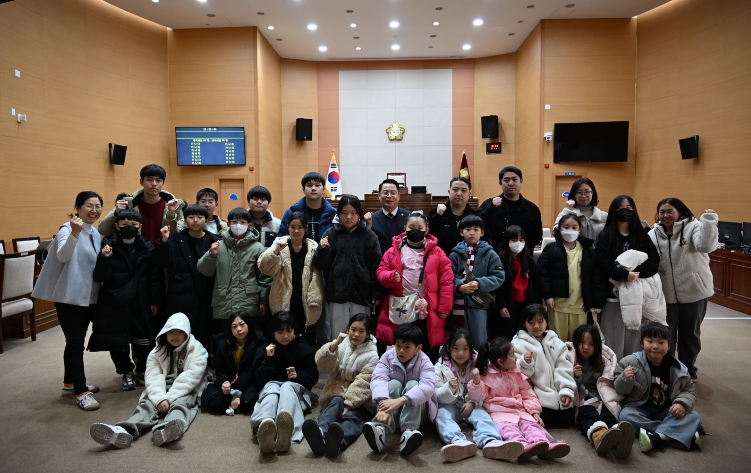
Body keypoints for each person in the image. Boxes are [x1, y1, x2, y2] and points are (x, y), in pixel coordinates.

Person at [89, 312, 207, 448]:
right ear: (165, 332)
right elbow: (153, 376)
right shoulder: (157, 351)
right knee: (147, 404)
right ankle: (125, 429)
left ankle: (166, 429)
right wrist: (160, 399)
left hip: (186, 389)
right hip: (163, 386)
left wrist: (169, 399)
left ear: (187, 333)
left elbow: (191, 378)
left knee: (181, 404)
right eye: (171, 332)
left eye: (180, 332)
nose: (175, 336)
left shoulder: (197, 350)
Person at [32, 191, 104, 410]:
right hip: (69, 297)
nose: (94, 210)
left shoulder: (94, 232)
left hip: (87, 296)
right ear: (78, 208)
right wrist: (74, 232)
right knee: (75, 342)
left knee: (75, 341)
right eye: (89, 205)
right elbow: (62, 255)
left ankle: (69, 384)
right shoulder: (67, 229)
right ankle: (81, 391)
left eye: (98, 206)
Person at [89, 209, 161, 391]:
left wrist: (153, 300)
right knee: (117, 340)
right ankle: (126, 372)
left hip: (141, 300)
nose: (130, 228)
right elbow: (100, 276)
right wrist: (105, 258)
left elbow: (154, 277)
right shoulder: (107, 245)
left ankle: (142, 369)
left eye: (134, 225)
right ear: (117, 226)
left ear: (140, 226)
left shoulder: (147, 247)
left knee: (143, 339)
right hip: (115, 301)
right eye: (125, 225)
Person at [649, 198, 718, 382]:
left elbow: (706, 246)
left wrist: (708, 222)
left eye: (670, 211)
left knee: (690, 335)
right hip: (666, 296)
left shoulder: (693, 227)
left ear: (680, 212)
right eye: (662, 212)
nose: (665, 215)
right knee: (667, 336)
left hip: (694, 292)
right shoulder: (653, 234)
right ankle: (669, 368)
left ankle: (688, 370)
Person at [468, 337, 570, 461]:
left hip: (520, 411)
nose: (516, 357)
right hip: (500, 414)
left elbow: (528, 394)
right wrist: (476, 382)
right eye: (512, 355)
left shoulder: (516, 373)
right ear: (501, 361)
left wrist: (534, 412)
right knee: (508, 430)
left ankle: (542, 444)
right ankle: (521, 446)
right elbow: (478, 397)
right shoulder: (486, 375)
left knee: (532, 426)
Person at [375, 212, 453, 361]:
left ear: (427, 230)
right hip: (402, 304)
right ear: (405, 228)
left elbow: (447, 281)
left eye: (420, 228)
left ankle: (427, 369)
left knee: (426, 341)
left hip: (427, 306)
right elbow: (381, 272)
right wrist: (391, 276)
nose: (415, 231)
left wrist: (445, 307)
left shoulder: (437, 253)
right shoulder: (393, 251)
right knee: (404, 341)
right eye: (411, 227)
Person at [614, 323, 702, 453]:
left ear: (669, 346)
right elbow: (619, 390)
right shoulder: (629, 362)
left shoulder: (678, 368)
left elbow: (689, 390)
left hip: (667, 411)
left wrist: (681, 404)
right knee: (625, 416)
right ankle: (677, 433)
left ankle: (657, 437)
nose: (655, 346)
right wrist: (625, 379)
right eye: (650, 341)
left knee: (694, 416)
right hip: (639, 408)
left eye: (661, 342)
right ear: (641, 343)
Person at [302, 313, 379, 456]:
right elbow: (323, 364)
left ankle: (337, 443)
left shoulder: (372, 356)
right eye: (353, 329)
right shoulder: (342, 345)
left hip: (360, 400)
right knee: (334, 403)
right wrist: (334, 344)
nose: (356, 334)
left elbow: (364, 383)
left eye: (361, 331)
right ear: (347, 329)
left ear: (368, 334)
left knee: (353, 418)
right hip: (337, 389)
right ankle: (320, 433)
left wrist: (349, 405)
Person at [595, 195, 660, 360]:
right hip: (613, 294)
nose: (625, 211)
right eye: (620, 208)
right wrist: (624, 274)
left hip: (637, 293)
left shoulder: (641, 234)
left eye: (629, 208)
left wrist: (636, 274)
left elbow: (654, 260)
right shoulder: (606, 235)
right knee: (613, 336)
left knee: (634, 334)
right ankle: (612, 369)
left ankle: (632, 368)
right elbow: (603, 264)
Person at [434, 329, 511, 462]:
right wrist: (449, 388)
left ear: (471, 349)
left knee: (482, 416)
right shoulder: (439, 367)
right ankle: (458, 441)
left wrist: (473, 402)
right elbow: (436, 396)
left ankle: (491, 440)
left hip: (472, 404)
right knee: (441, 415)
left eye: (465, 349)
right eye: (456, 348)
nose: (460, 353)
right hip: (449, 405)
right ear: (449, 348)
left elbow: (486, 390)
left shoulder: (479, 363)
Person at [313, 194, 381, 339]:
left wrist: (377, 292)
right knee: (339, 335)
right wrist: (323, 250)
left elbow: (376, 266)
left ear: (359, 214)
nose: (348, 217)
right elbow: (319, 264)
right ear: (338, 214)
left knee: (360, 334)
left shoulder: (369, 236)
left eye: (353, 213)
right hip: (337, 293)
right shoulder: (330, 234)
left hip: (362, 294)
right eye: (344, 213)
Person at [363, 323, 437, 456]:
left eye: (407, 347)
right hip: (391, 413)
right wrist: (384, 405)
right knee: (393, 384)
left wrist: (402, 400)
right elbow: (378, 379)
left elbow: (428, 386)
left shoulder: (425, 361)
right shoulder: (387, 357)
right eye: (398, 345)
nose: (401, 351)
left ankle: (408, 432)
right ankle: (380, 430)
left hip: (417, 414)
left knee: (413, 385)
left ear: (418, 348)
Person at [154, 204, 221, 351]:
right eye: (191, 217)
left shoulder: (215, 241)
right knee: (181, 334)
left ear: (206, 220)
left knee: (205, 335)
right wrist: (163, 241)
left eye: (199, 217)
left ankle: (204, 362)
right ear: (185, 220)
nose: (195, 220)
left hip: (207, 294)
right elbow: (163, 263)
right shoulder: (176, 240)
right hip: (180, 295)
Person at [251, 312, 319, 454]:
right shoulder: (264, 348)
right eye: (280, 332)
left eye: (289, 331)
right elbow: (259, 379)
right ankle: (264, 427)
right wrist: (268, 359)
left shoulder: (303, 347)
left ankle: (285, 429)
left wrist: (298, 375)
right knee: (271, 391)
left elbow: (313, 377)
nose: (285, 336)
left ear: (294, 330)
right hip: (272, 385)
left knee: (287, 387)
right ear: (273, 332)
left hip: (295, 388)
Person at [197, 207, 272, 336]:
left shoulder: (257, 248)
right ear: (228, 224)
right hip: (224, 303)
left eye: (242, 222)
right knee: (225, 340)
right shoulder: (218, 245)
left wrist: (263, 301)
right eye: (234, 221)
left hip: (248, 302)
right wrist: (211, 255)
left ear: (249, 225)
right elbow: (203, 269)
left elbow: (264, 277)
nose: (238, 225)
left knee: (248, 340)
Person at [258, 211, 324, 347]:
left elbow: (318, 273)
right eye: (293, 227)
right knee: (283, 336)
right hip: (283, 299)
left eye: (300, 227)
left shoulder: (313, 247)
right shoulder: (279, 244)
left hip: (305, 300)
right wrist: (276, 251)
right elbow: (264, 268)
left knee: (305, 340)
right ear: (288, 227)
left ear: (306, 228)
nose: (296, 231)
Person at [569, 324, 634, 458]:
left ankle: (619, 437)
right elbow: (566, 383)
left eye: (591, 344)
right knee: (588, 415)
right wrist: (575, 376)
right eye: (582, 343)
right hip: (583, 401)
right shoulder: (570, 359)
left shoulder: (603, 362)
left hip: (601, 398)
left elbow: (609, 381)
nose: (586, 347)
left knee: (608, 414)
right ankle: (599, 436)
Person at [537, 214, 600, 342]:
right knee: (556, 342)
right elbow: (543, 273)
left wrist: (595, 300)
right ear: (559, 229)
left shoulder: (588, 249)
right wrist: (547, 296)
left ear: (579, 229)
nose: (570, 230)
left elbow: (596, 276)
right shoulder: (551, 248)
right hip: (557, 305)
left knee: (577, 342)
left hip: (580, 305)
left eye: (574, 227)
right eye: (566, 227)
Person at [512, 304, 576, 427]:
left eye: (540, 322)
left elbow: (564, 368)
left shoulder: (556, 342)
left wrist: (566, 391)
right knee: (547, 418)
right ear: (524, 324)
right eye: (531, 322)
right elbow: (517, 374)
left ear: (546, 322)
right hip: (537, 397)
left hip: (558, 394)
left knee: (567, 419)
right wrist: (525, 363)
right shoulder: (517, 344)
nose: (536, 326)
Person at [449, 214, 505, 349]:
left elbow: (499, 276)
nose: (472, 233)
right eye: (468, 229)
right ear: (461, 232)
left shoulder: (490, 253)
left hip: (479, 304)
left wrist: (480, 283)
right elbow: (449, 275)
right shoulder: (455, 254)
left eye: (476, 229)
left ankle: (479, 361)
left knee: (479, 340)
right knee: (458, 340)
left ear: (482, 232)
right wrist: (459, 286)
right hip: (458, 304)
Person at [99, 164, 186, 244]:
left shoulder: (175, 205)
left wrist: (170, 215)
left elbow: (179, 233)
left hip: (165, 251)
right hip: (138, 253)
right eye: (149, 180)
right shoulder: (128, 203)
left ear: (163, 183)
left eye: (158, 180)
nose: (154, 184)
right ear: (141, 182)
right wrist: (116, 213)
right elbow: (103, 230)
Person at [201, 312, 266, 415]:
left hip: (249, 381)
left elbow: (250, 370)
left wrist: (237, 392)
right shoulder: (223, 343)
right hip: (230, 379)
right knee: (216, 404)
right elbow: (220, 369)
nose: (238, 329)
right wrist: (225, 382)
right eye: (234, 326)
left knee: (248, 403)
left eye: (242, 324)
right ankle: (229, 398)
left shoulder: (259, 343)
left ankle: (234, 400)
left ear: (249, 324)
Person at [478, 166, 543, 253]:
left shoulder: (532, 209)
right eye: (506, 180)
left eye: (514, 179)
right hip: (495, 256)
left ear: (521, 181)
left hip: (524, 257)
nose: (511, 183)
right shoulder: (489, 204)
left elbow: (537, 236)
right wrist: (491, 208)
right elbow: (477, 225)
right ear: (500, 183)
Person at [492, 225, 539, 341]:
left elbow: (535, 284)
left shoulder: (528, 260)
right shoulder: (500, 259)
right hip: (508, 304)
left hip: (526, 303)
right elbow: (498, 287)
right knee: (508, 335)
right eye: (514, 240)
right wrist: (501, 305)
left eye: (521, 240)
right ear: (507, 241)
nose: (518, 243)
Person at [428, 177, 481, 258]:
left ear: (469, 194)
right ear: (449, 192)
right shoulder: (435, 214)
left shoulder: (476, 217)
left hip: (468, 260)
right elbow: (430, 237)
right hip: (441, 260)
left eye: (463, 190)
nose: (459, 193)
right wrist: (437, 216)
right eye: (455, 189)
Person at [279, 172, 336, 244]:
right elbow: (282, 239)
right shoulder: (291, 212)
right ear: (303, 190)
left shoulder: (333, 214)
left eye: (317, 185)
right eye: (309, 185)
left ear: (323, 189)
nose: (313, 188)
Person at [364, 178, 411, 256]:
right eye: (385, 192)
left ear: (399, 196)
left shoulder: (409, 217)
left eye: (393, 193)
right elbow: (366, 242)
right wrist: (368, 226)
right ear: (379, 195)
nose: (389, 196)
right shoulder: (372, 219)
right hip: (380, 261)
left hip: (403, 260)